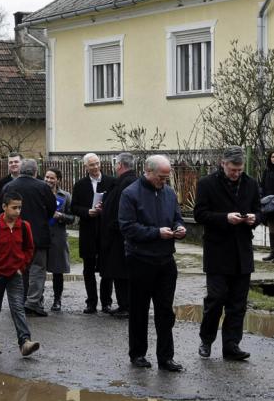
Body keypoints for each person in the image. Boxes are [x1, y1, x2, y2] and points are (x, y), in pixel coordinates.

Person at [193, 148, 262, 361]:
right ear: (223, 163)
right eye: (233, 169)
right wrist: (225, 218)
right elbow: (199, 214)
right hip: (217, 251)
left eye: (240, 170)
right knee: (216, 298)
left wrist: (254, 218)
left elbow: (259, 211)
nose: (236, 173)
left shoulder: (250, 184)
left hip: (242, 251)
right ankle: (206, 340)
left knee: (238, 302)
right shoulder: (207, 184)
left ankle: (231, 345)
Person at [119, 154, 187, 372]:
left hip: (165, 260)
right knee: (139, 309)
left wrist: (179, 228)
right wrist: (156, 233)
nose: (164, 181)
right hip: (140, 259)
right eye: (161, 177)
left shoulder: (169, 192)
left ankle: (166, 357)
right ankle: (138, 353)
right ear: (148, 172)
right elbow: (127, 227)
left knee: (165, 311)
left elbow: (177, 217)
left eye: (167, 177)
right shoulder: (130, 194)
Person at [0, 190, 39, 357]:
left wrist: (21, 267)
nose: (17, 211)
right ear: (4, 207)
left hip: (15, 275)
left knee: (18, 307)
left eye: (20, 208)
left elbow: (29, 248)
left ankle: (25, 342)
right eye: (14, 207)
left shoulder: (24, 227)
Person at [3, 159, 56, 317]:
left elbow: (1, 207)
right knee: (38, 269)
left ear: (20, 170)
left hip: (15, 234)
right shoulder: (43, 187)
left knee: (18, 269)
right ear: (35, 171)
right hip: (38, 234)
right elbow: (52, 208)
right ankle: (33, 302)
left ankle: (18, 301)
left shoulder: (9, 186)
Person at [71, 153, 114, 314]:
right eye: (91, 165)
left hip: (106, 230)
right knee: (88, 269)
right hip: (88, 230)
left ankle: (106, 302)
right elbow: (74, 207)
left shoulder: (111, 182)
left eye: (97, 163)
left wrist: (104, 210)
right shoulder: (80, 185)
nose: (95, 167)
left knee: (107, 268)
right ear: (85, 167)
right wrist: (87, 212)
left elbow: (116, 204)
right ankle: (91, 302)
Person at [99, 152, 138, 317]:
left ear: (120, 165)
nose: (115, 167)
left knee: (121, 272)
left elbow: (121, 208)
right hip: (117, 233)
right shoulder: (126, 181)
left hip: (119, 234)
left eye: (116, 164)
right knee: (118, 271)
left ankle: (126, 305)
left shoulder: (127, 182)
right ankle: (124, 304)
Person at [43, 168, 76, 311]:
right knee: (39, 270)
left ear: (58, 180)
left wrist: (61, 216)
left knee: (57, 271)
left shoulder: (66, 196)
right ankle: (38, 298)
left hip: (58, 237)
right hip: (41, 235)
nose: (48, 180)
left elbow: (72, 218)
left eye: (52, 178)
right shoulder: (39, 192)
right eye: (47, 177)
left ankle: (57, 300)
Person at [0, 152, 23, 219]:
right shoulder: (2, 182)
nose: (13, 164)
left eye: (16, 162)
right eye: (10, 162)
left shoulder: (30, 180)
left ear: (22, 163)